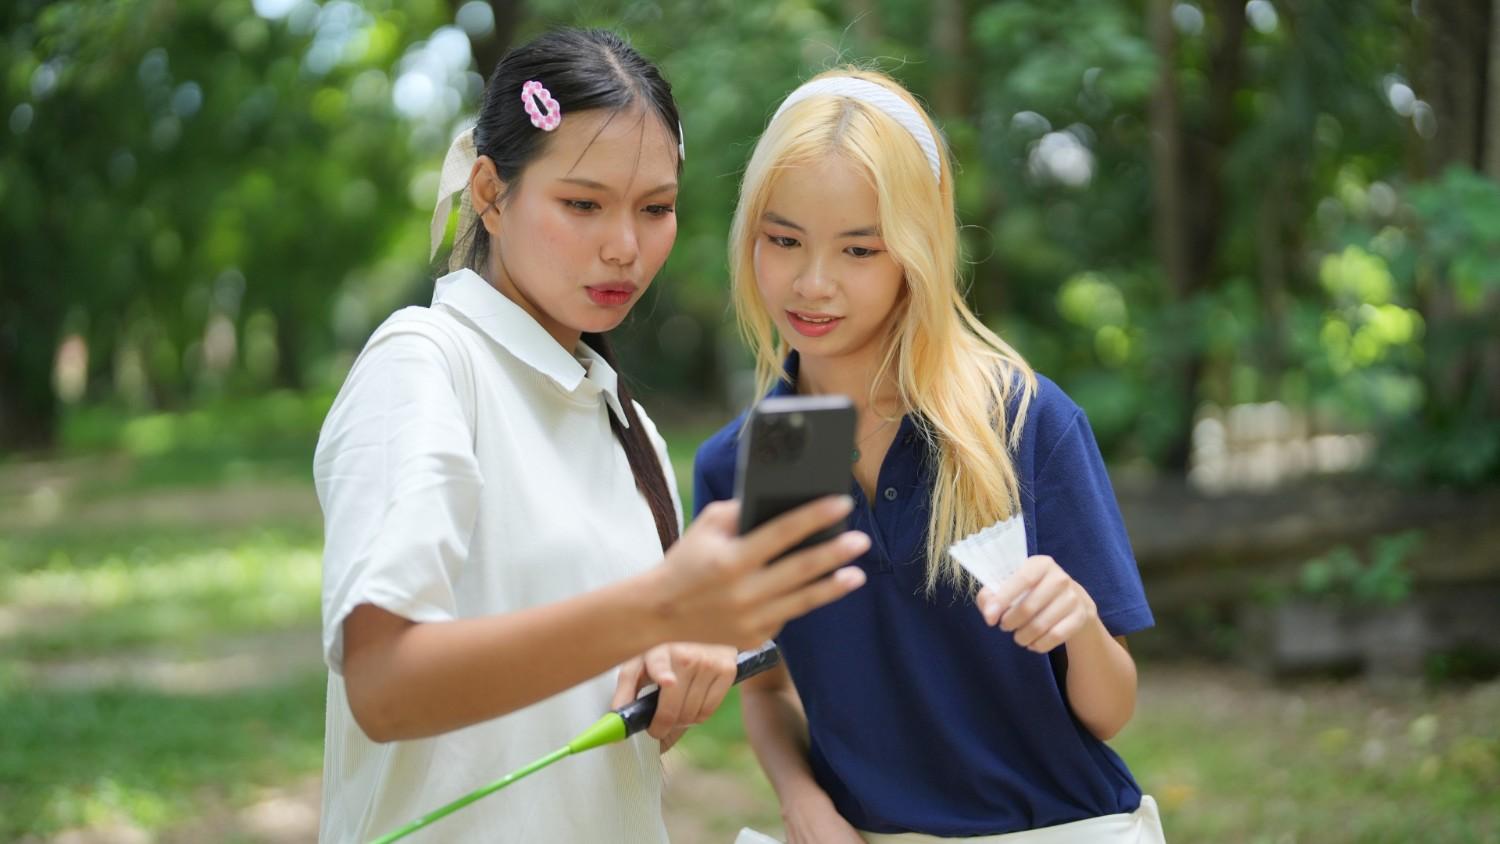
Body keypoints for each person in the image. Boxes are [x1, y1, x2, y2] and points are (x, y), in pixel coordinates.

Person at [315, 30, 870, 843]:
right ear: (490, 194)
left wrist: (682, 658)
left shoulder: (625, 420)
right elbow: (384, 687)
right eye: (583, 203)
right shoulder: (426, 365)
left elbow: (605, 662)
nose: (625, 245)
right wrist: (656, 608)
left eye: (656, 208)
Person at [693, 69, 1165, 843]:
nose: (813, 283)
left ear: (916, 250)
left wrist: (1078, 621)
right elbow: (767, 686)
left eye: (859, 249)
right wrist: (802, 803)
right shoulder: (759, 459)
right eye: (783, 241)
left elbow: (1110, 712)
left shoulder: (1020, 424)